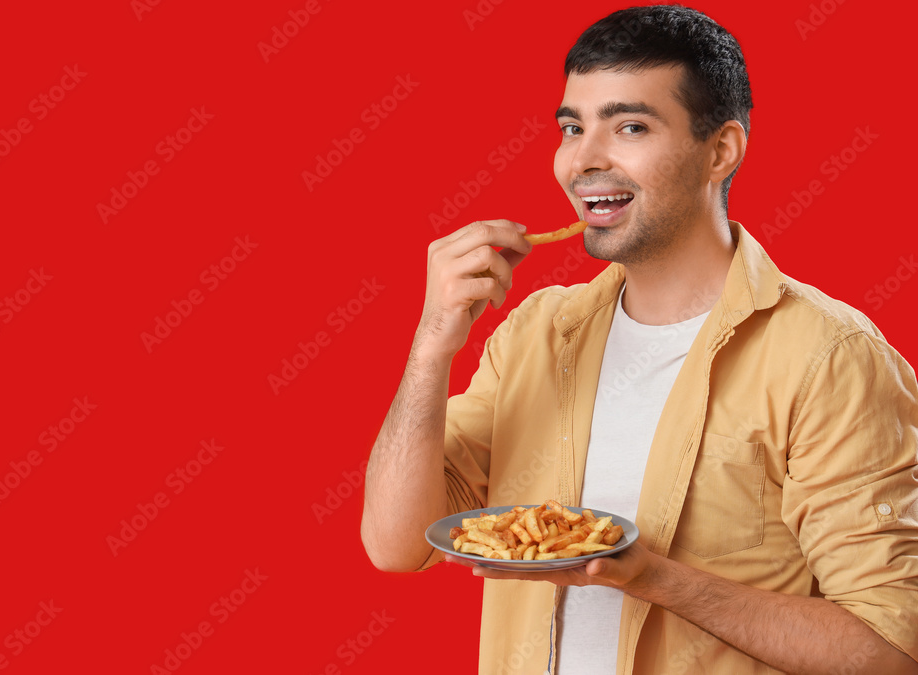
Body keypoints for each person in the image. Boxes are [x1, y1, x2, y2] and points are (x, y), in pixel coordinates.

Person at [360, 5, 918, 674]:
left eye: (629, 126)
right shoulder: (539, 332)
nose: (584, 160)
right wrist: (430, 347)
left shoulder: (830, 357)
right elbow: (395, 543)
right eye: (572, 127)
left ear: (720, 150)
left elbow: (889, 648)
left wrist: (651, 576)